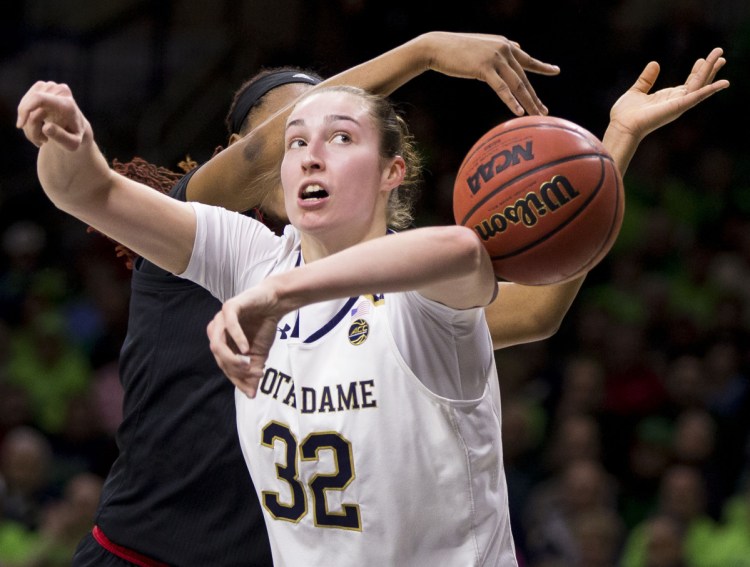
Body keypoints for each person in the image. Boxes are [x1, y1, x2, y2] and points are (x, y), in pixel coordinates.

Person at [17, 45, 728, 566]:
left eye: (340, 136)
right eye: (295, 140)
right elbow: (93, 194)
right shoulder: (244, 252)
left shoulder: (415, 295)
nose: (307, 154)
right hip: (149, 545)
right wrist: (68, 143)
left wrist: (617, 141)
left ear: (394, 171)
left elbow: (463, 255)